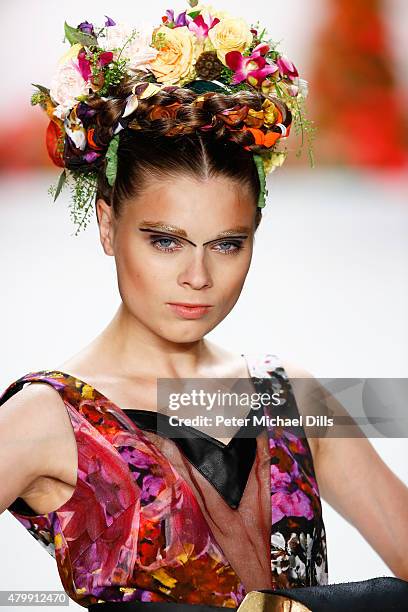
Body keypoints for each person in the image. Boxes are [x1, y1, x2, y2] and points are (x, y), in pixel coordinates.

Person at [1, 4, 407, 611]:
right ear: (108, 225)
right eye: (164, 241)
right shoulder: (46, 419)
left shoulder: (292, 399)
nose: (197, 277)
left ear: (255, 234)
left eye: (227, 244)